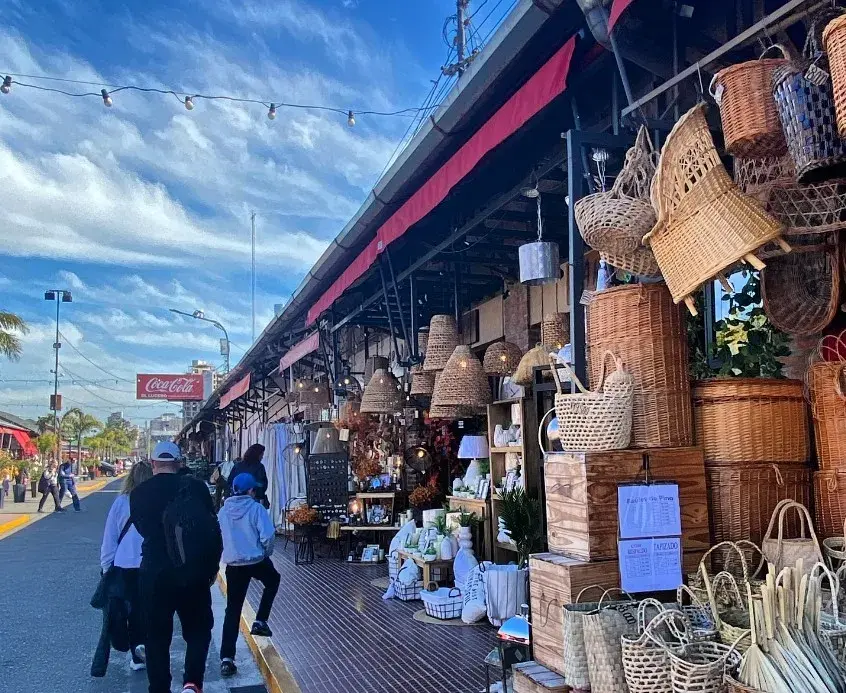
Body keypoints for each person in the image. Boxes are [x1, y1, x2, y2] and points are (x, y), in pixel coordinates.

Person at [130, 441, 221, 693]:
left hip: (155, 572)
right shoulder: (196, 487)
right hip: (192, 571)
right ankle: (192, 683)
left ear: (153, 464)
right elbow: (209, 524)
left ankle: (159, 687)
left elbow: (142, 529)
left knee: (156, 636)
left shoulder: (139, 493)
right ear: (179, 463)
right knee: (198, 630)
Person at [218, 472, 279, 677]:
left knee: (232, 610)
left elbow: (218, 536)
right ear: (251, 490)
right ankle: (260, 620)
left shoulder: (224, 511)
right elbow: (268, 535)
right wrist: (265, 553)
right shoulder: (256, 508)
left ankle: (227, 658)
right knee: (273, 580)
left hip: (234, 564)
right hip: (256, 560)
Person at [96, 460, 153, 673]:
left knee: (129, 611)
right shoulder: (156, 501)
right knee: (149, 608)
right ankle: (148, 647)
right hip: (151, 563)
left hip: (124, 564)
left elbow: (110, 537)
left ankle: (136, 654)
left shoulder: (121, 502)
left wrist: (106, 566)